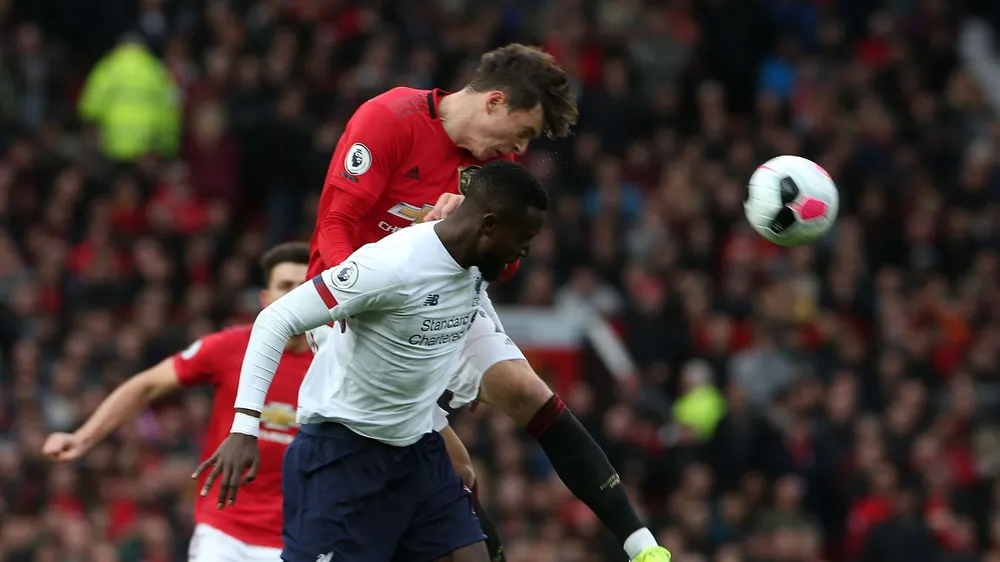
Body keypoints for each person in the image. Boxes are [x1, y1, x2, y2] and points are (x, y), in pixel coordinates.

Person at [307, 43, 670, 562]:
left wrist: (463, 234)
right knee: (455, 471)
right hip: (357, 308)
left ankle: (644, 548)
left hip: (447, 294)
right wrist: (358, 290)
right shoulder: (389, 118)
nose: (518, 149)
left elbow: (507, 264)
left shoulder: (489, 171)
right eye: (522, 132)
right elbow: (336, 224)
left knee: (526, 390)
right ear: (495, 102)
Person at [195, 161, 547, 562]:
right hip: (341, 454)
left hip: (416, 450)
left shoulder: (475, 265)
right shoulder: (392, 265)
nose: (526, 251)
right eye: (524, 237)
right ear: (488, 225)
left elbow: (471, 313)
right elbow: (275, 319)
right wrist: (244, 428)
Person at [41, 242, 313, 562]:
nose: (294, 295)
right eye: (284, 286)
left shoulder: (336, 360)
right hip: (224, 532)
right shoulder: (231, 346)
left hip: (298, 537)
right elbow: (147, 385)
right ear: (265, 299)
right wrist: (81, 437)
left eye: (303, 286)